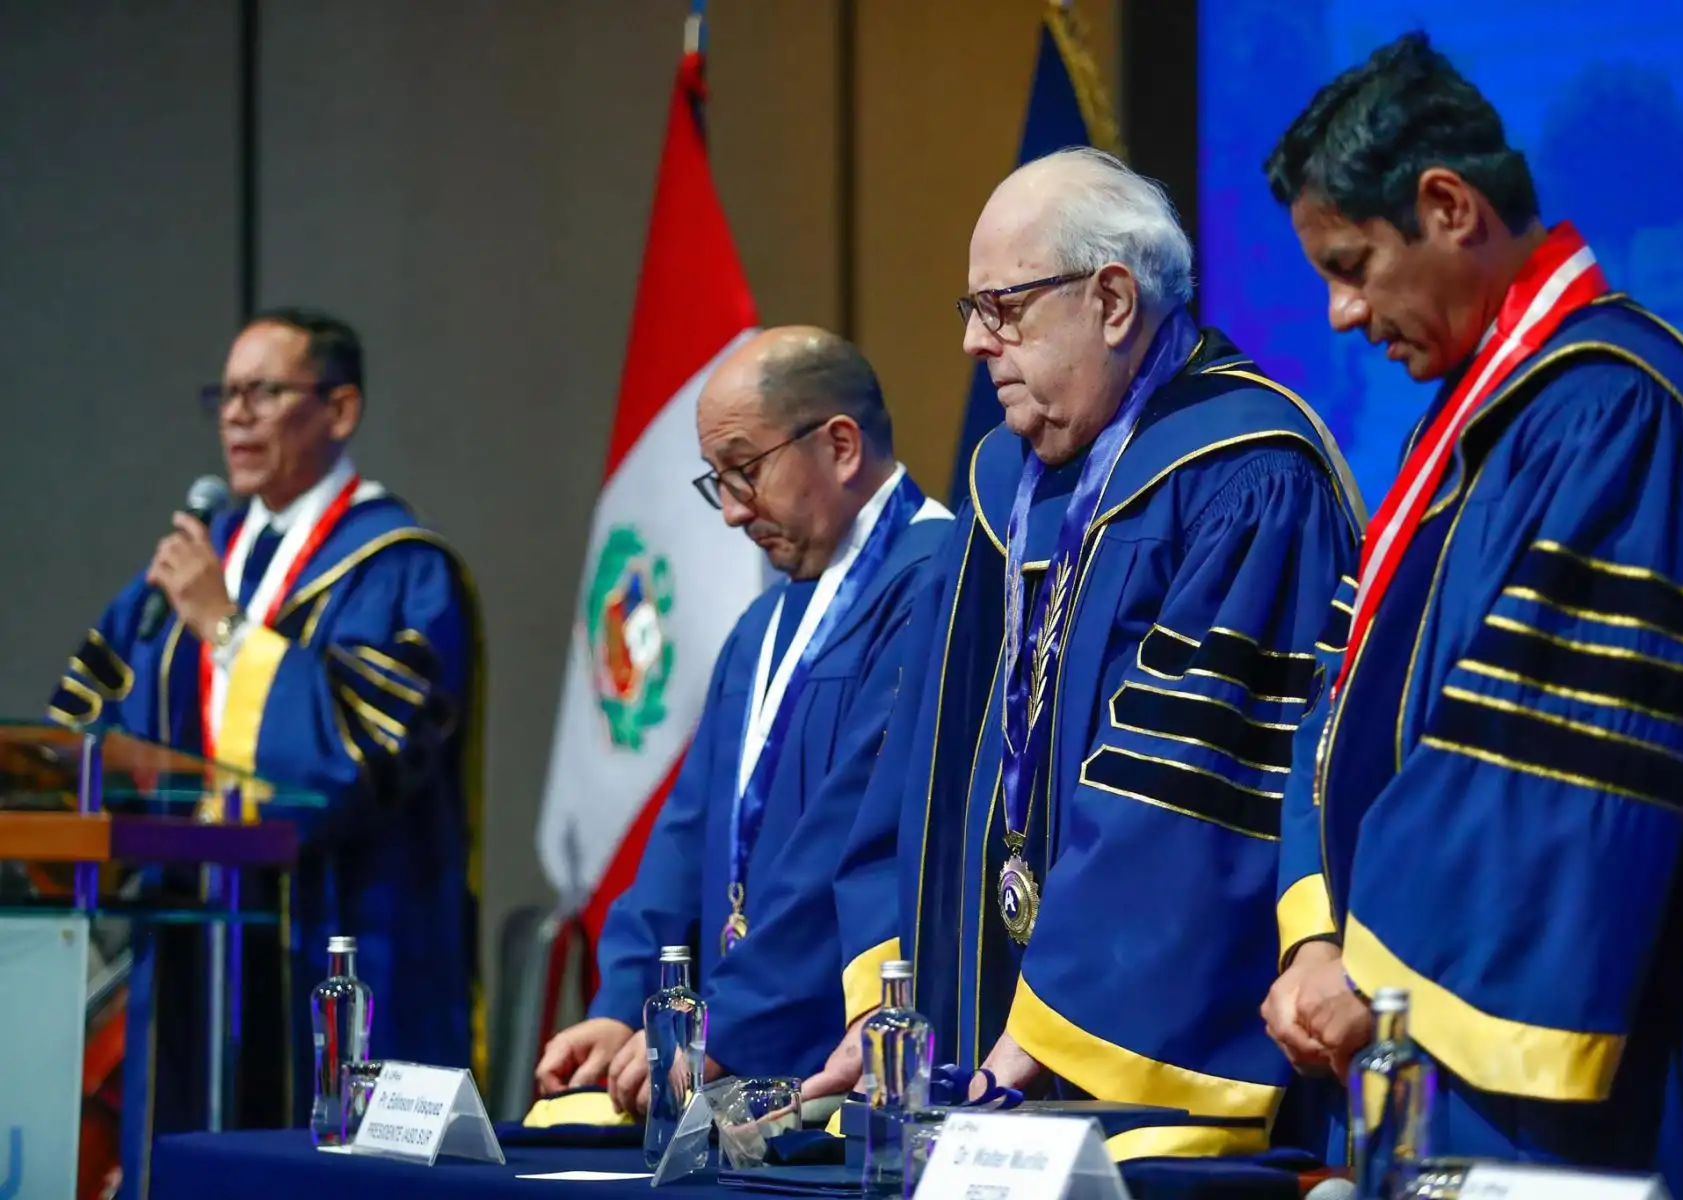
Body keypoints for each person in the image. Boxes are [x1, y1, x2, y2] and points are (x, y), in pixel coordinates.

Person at [1258, 33, 1683, 1197]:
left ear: (1448, 206)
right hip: (1420, 1057)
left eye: (1351, 265)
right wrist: (1314, 936)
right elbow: (1338, 696)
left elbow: (1549, 766)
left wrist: (1373, 973)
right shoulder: (1462, 430)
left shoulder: (1614, 412)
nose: (1342, 314)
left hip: (1593, 1084)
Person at [814, 147, 1365, 1158]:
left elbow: (1194, 798)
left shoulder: (1244, 477)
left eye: (1004, 308)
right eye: (970, 311)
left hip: (1135, 1090)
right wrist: (880, 1001)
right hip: (977, 1079)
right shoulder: (1001, 496)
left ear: (1113, 301)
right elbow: (911, 779)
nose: (977, 345)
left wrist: (1041, 1032)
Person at [50, 307, 483, 1192]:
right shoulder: (177, 575)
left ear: (341, 408)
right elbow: (85, 742)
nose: (237, 416)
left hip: (345, 944)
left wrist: (224, 628)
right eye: (227, 394)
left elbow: (351, 764)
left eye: (265, 392)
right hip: (193, 953)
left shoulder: (399, 570)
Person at [533, 326, 952, 1116]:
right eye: (715, 481)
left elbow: (852, 837)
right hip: (728, 1065)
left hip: (841, 1071)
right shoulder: (763, 626)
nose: (729, 512)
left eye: (745, 471)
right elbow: (688, 831)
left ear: (839, 446)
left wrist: (730, 1022)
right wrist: (625, 1003)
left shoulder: (934, 586)